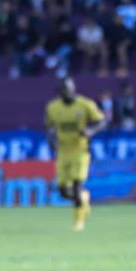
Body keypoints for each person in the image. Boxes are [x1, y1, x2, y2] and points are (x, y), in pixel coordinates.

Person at [45, 77, 106, 231]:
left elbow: (103, 120)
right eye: (64, 89)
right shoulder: (53, 108)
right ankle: (84, 199)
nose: (67, 92)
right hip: (63, 151)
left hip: (80, 150)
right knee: (63, 192)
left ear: (74, 89)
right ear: (60, 92)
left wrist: (91, 130)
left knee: (77, 186)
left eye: (69, 88)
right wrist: (51, 140)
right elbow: (49, 126)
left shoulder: (85, 105)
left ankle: (78, 222)